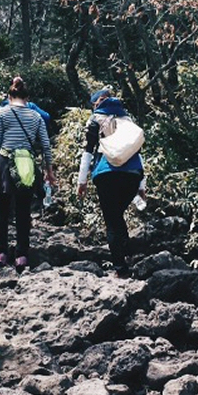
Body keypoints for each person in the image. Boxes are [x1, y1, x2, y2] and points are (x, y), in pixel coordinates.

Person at [0, 76, 56, 270]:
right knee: (24, 212)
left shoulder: (1, 113)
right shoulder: (36, 117)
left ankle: (1, 253)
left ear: (9, 96)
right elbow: (46, 146)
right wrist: (49, 171)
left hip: (4, 164)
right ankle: (22, 255)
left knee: (2, 212)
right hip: (27, 166)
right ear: (27, 97)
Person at [77, 86, 146, 278]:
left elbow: (88, 151)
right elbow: (138, 153)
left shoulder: (95, 119)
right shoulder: (127, 119)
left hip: (106, 174)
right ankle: (127, 254)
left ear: (97, 102)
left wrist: (81, 181)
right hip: (132, 174)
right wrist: (142, 186)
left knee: (112, 220)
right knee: (117, 215)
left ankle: (120, 268)